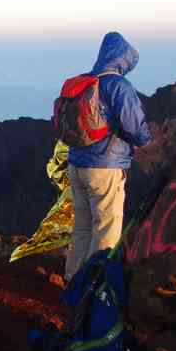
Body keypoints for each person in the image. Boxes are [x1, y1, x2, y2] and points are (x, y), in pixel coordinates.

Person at [65, 31, 152, 279]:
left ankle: (73, 279)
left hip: (76, 164)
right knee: (106, 227)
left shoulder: (84, 82)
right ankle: (94, 284)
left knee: (82, 227)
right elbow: (134, 126)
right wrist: (146, 141)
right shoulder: (118, 85)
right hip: (105, 166)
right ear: (123, 59)